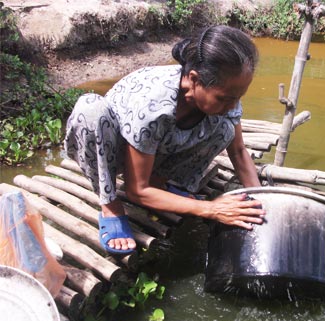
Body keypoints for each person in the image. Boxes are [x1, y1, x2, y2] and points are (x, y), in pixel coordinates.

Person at [64, 25, 266, 255]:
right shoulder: (153, 105)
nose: (233, 106)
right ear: (194, 79)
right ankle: (110, 206)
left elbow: (239, 152)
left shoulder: (225, 98)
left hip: (152, 148)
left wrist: (262, 200)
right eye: (225, 98)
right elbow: (136, 191)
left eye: (238, 98)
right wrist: (210, 209)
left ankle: (158, 182)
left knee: (225, 128)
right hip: (114, 149)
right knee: (90, 109)